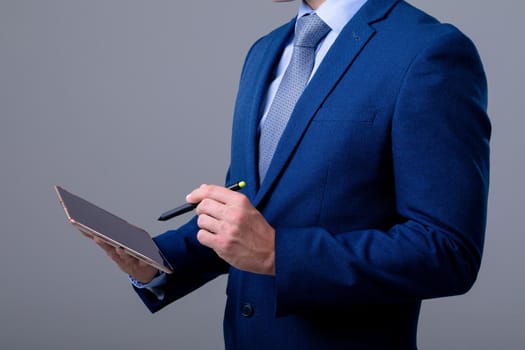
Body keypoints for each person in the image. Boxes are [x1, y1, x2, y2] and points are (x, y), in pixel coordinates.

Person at [92, 0, 491, 348]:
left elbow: (447, 250)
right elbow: (254, 211)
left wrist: (278, 254)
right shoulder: (264, 51)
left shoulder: (427, 51)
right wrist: (156, 263)